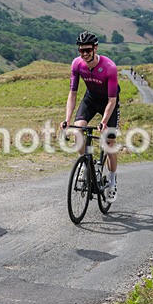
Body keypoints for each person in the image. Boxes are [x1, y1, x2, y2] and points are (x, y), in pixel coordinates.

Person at [61, 31, 121, 202]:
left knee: (109, 143)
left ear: (95, 48)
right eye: (81, 51)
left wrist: (103, 122)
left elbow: (112, 100)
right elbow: (72, 94)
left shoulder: (109, 67)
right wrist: (67, 119)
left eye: (88, 50)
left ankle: (112, 180)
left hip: (109, 102)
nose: (85, 54)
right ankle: (85, 165)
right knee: (77, 130)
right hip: (91, 99)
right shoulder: (77, 64)